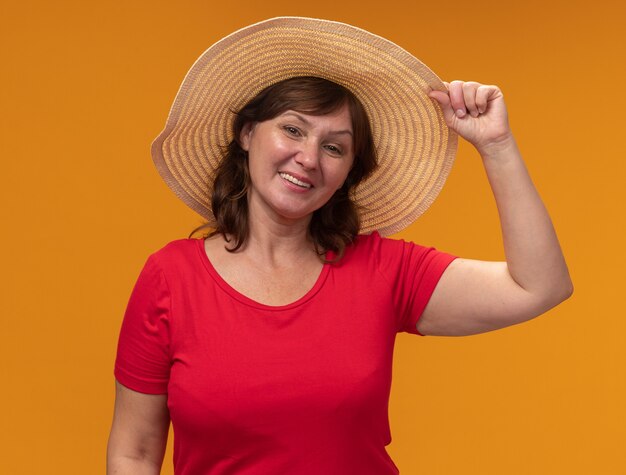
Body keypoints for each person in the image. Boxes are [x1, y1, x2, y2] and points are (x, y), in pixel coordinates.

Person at [106, 17, 572, 475]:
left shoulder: (386, 270)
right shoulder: (170, 277)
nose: (308, 158)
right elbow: (135, 454)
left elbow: (539, 286)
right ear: (247, 134)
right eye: (292, 129)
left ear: (350, 171)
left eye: (334, 147)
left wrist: (497, 145)